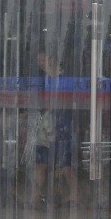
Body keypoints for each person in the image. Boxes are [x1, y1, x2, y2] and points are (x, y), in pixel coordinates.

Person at [29, 50, 78, 210]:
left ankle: (74, 196)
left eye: (42, 59)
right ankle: (34, 198)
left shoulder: (64, 79)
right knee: (40, 163)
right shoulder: (43, 79)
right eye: (39, 61)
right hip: (46, 126)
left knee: (65, 164)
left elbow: (67, 103)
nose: (40, 63)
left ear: (51, 58)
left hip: (61, 125)